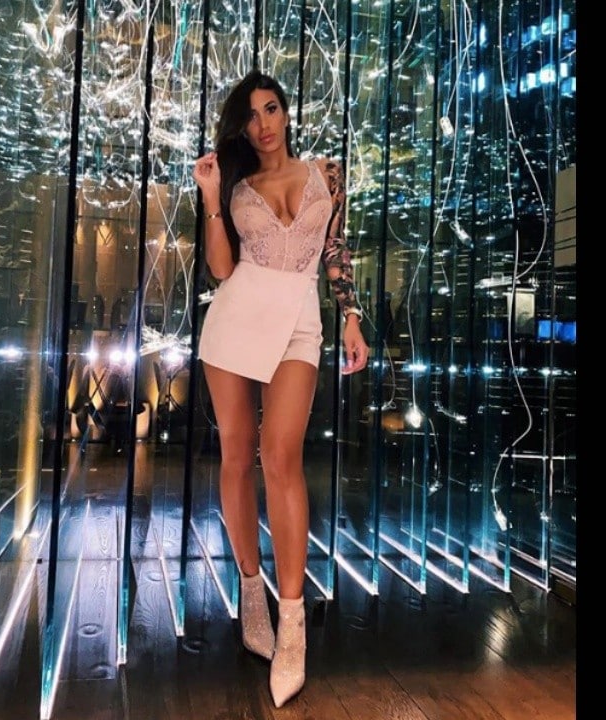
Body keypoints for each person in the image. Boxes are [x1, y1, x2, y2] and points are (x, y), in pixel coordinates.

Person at [192, 69, 369, 708]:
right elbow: (221, 269)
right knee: (238, 455)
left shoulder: (327, 174)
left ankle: (291, 621)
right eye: (251, 115)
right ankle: (250, 590)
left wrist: (351, 316)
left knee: (281, 455)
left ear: (287, 113)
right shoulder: (236, 186)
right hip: (237, 319)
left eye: (271, 109)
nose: (263, 123)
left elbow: (335, 250)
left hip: (299, 321)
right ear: (241, 128)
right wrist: (211, 196)